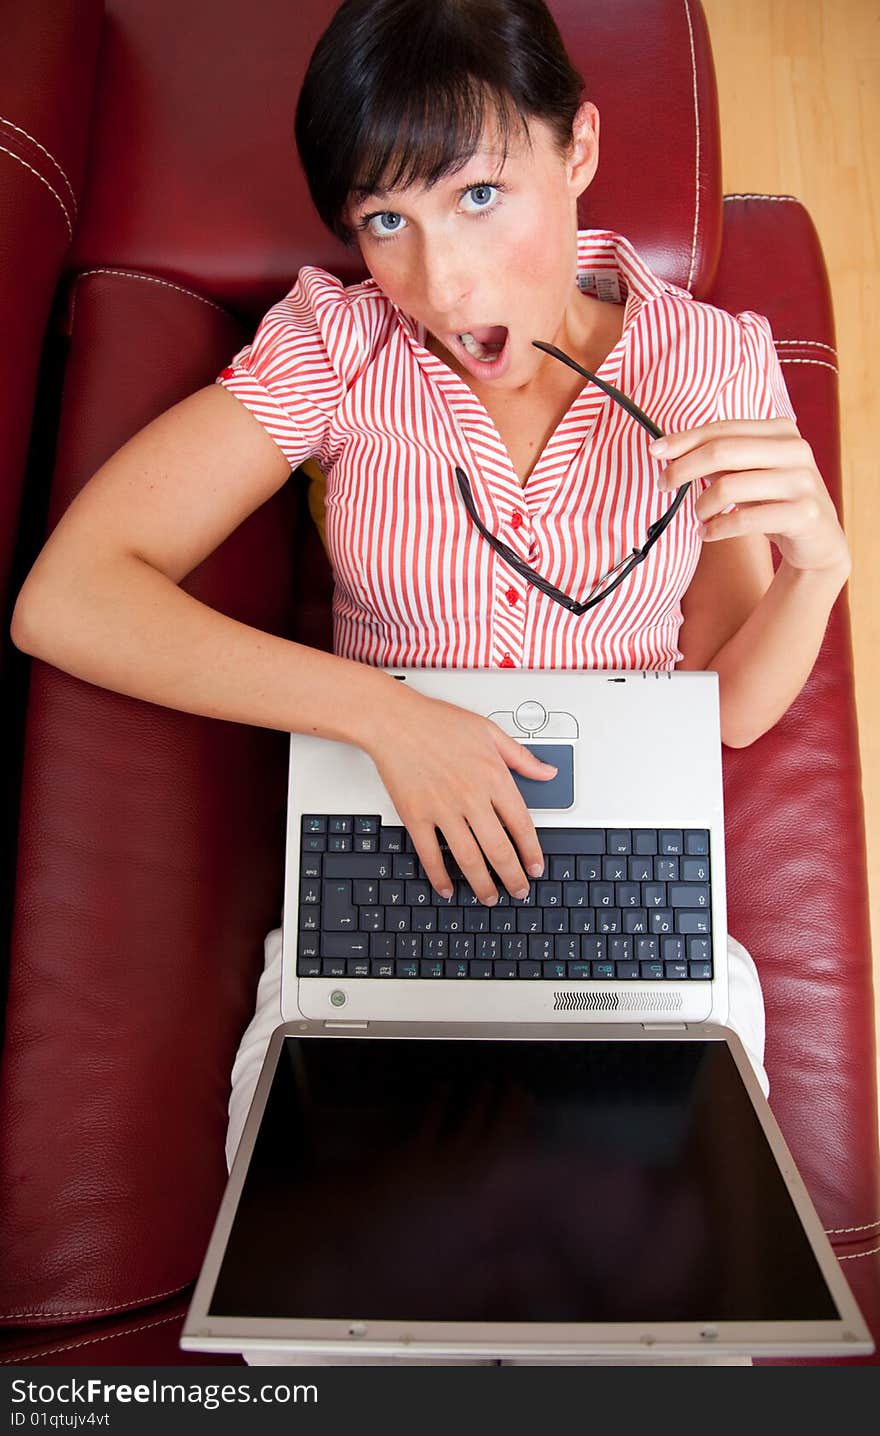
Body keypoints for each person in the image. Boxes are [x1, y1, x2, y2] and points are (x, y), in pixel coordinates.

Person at [10, 0, 851, 1366]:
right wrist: (386, 713)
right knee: (347, 1333)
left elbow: (731, 705)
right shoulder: (339, 348)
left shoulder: (712, 362)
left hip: (622, 880)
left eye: (479, 195)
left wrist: (817, 569)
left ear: (578, 145)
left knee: (660, 1339)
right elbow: (70, 595)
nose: (445, 286)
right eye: (385, 219)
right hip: (383, 855)